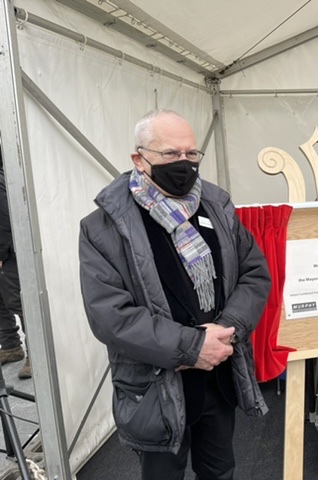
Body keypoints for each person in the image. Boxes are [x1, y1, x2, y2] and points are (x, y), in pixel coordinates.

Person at [79, 109, 271, 480]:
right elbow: (110, 315)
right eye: (170, 154)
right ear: (139, 159)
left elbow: (254, 273)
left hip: (218, 374)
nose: (184, 162)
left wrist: (227, 329)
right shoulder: (103, 228)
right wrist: (192, 346)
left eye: (191, 153)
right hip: (156, 387)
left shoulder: (216, 206)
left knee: (220, 470)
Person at [0, 151, 31, 379]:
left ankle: (36, 355)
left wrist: (1, 252)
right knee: (1, 303)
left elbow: (4, 219)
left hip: (7, 253)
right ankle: (11, 346)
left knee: (18, 303)